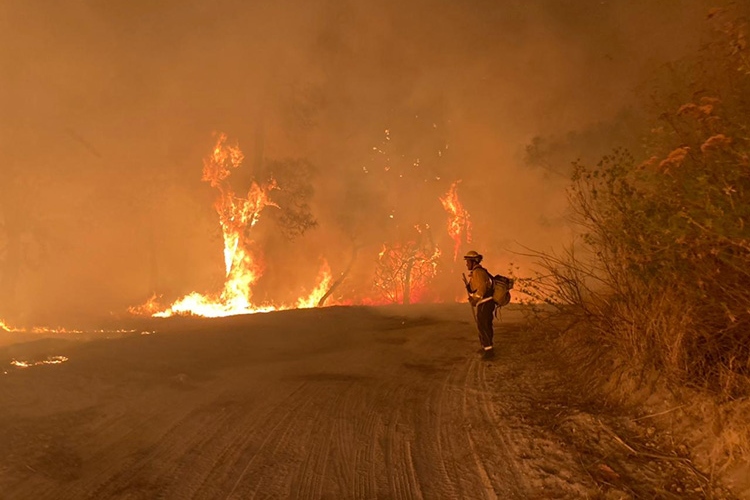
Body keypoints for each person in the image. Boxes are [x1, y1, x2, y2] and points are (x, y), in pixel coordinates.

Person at [463, 250, 496, 358]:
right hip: (486, 303)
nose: (466, 264)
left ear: (473, 261)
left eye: (468, 261)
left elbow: (481, 290)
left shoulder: (478, 272)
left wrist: (474, 300)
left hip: (484, 303)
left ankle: (488, 352)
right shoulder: (478, 272)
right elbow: (476, 288)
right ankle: (486, 347)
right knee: (486, 325)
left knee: (483, 326)